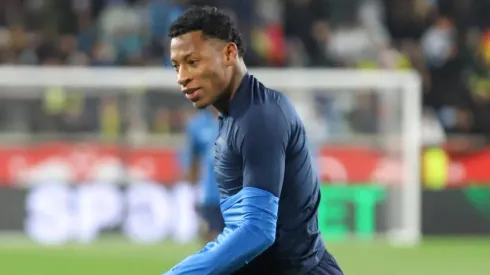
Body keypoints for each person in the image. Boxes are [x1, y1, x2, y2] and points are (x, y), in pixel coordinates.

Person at [164, 6, 343, 275]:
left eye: (193, 62)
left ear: (229, 53)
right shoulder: (234, 117)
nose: (182, 77)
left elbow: (257, 229)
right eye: (176, 66)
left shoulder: (259, 118)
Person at [182, 108, 224, 244]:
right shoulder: (197, 124)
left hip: (238, 195)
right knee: (210, 243)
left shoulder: (240, 118)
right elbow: (193, 161)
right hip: (211, 196)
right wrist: (193, 194)